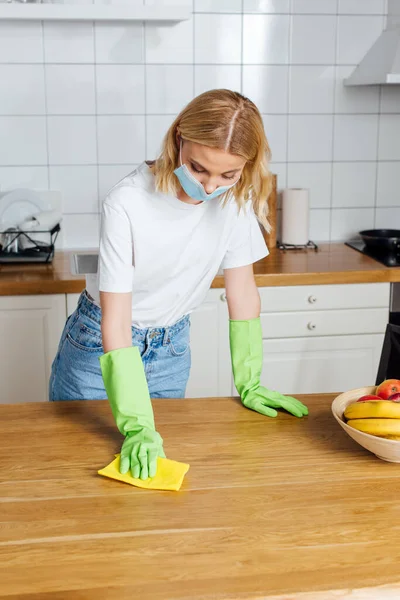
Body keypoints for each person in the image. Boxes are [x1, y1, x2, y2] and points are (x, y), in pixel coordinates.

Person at [49, 89, 308, 480]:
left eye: (228, 174)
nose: (209, 187)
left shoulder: (235, 200)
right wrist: (137, 425)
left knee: (154, 482)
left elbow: (242, 293)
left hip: (171, 348)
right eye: (199, 168)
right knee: (71, 472)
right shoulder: (127, 201)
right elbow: (116, 322)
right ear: (178, 140)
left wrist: (249, 380)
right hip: (100, 351)